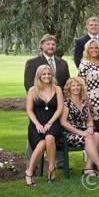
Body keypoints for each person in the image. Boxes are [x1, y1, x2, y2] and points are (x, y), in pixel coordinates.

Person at [24, 34, 69, 169]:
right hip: (39, 106)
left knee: (56, 133)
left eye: (53, 44)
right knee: (35, 134)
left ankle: (59, 162)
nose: (51, 46)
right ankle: (32, 164)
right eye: (48, 44)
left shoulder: (62, 63)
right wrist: (40, 101)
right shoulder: (32, 62)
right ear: (42, 46)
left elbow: (66, 84)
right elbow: (28, 85)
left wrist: (61, 103)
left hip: (57, 105)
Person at [59, 77, 99, 177]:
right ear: (69, 88)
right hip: (67, 134)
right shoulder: (66, 102)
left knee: (96, 135)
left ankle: (88, 167)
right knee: (89, 138)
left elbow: (89, 119)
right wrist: (80, 133)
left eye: (78, 85)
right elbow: (63, 122)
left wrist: (90, 127)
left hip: (80, 131)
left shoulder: (83, 102)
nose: (76, 88)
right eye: (73, 85)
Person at [25, 65, 63, 186]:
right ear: (39, 76)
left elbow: (60, 108)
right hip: (36, 124)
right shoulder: (32, 90)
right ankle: (29, 173)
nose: (47, 76)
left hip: (53, 122)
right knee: (41, 143)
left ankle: (51, 168)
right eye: (44, 74)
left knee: (49, 137)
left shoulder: (57, 89)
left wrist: (50, 122)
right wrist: (37, 124)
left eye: (49, 74)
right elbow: (29, 110)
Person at [78, 39, 99, 127]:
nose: (94, 50)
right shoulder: (84, 64)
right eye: (91, 48)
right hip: (92, 98)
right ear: (87, 50)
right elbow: (81, 85)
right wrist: (86, 100)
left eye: (96, 48)